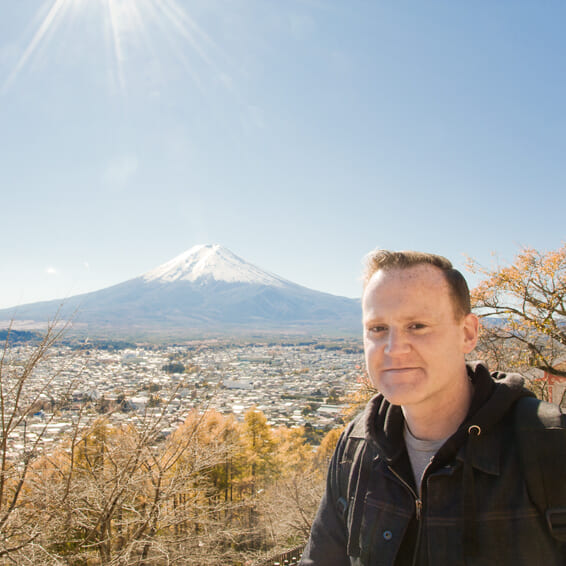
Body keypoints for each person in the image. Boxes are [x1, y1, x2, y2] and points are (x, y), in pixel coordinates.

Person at [300, 250, 566, 566]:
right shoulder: (356, 446)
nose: (394, 348)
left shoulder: (549, 444)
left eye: (417, 326)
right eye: (377, 328)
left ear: (467, 333)